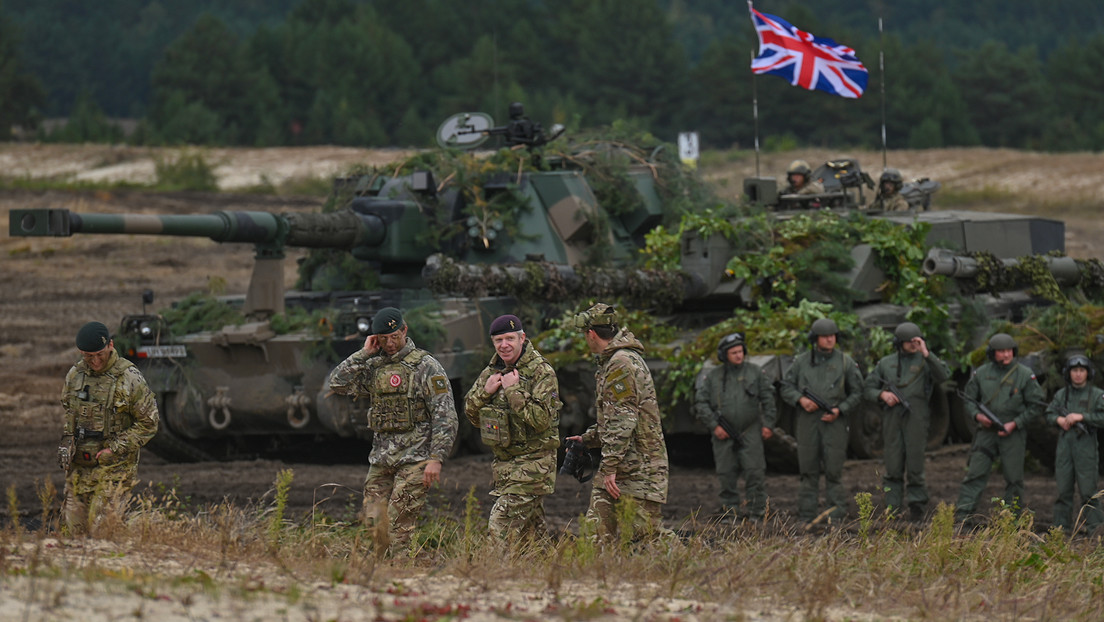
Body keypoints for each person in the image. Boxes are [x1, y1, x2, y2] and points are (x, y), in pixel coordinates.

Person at [328, 307, 458, 553]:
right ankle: (380, 580)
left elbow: (445, 415)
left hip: (415, 460)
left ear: (405, 330)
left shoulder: (426, 366)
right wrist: (364, 353)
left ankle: (404, 578)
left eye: (394, 336)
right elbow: (337, 383)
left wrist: (436, 459)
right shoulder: (375, 366)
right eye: (384, 338)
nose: (389, 343)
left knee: (399, 530)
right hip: (382, 460)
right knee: (373, 527)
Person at [566, 303, 669, 541]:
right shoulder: (615, 360)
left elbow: (624, 419)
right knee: (597, 535)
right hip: (619, 466)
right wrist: (588, 438)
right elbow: (617, 417)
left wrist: (610, 465)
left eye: (584, 335)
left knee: (646, 539)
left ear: (591, 334)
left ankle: (682, 567)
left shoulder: (620, 363)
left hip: (638, 467)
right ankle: (597, 575)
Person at [464, 314, 561, 544]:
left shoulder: (542, 372)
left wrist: (513, 392)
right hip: (505, 468)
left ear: (522, 338)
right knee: (532, 538)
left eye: (509, 339)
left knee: (501, 524)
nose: (504, 345)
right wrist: (484, 393)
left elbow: (541, 420)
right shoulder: (491, 371)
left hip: (534, 464)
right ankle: (548, 574)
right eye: (498, 340)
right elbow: (471, 415)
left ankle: (496, 577)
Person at [59, 321, 159, 535]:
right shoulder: (75, 376)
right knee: (71, 534)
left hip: (114, 467)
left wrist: (115, 449)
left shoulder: (129, 378)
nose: (95, 361)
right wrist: (67, 445)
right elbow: (69, 412)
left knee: (102, 533)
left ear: (110, 345)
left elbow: (149, 424)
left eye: (99, 355)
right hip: (79, 468)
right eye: (88, 356)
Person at [863, 322, 950, 521]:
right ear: (899, 342)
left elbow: (944, 376)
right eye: (908, 342)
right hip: (892, 418)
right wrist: (882, 395)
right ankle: (892, 509)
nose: (913, 345)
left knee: (915, 464)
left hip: (916, 418)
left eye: (916, 341)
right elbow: (867, 389)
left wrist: (926, 353)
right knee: (892, 465)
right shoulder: (885, 363)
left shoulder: (925, 362)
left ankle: (917, 506)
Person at [780, 317, 864, 524]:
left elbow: (858, 392)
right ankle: (806, 513)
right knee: (808, 470)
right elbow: (785, 387)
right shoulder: (801, 362)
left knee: (834, 470)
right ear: (815, 339)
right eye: (825, 337)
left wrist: (840, 409)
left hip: (834, 423)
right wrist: (801, 400)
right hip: (808, 421)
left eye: (832, 336)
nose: (829, 340)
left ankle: (835, 513)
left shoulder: (846, 362)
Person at [954, 333, 1044, 523]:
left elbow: (1036, 405)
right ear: (992, 354)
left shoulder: (1025, 375)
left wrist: (1016, 423)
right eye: (1001, 351)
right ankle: (962, 517)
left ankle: (1012, 522)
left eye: (1009, 350)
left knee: (1014, 479)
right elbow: (969, 400)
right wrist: (978, 416)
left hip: (1012, 434)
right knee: (975, 473)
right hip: (986, 432)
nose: (1006, 354)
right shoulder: (981, 373)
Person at [693, 332, 777, 522]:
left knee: (755, 472)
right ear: (724, 355)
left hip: (750, 429)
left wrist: (769, 424)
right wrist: (714, 426)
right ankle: (730, 512)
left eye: (740, 351)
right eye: (733, 353)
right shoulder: (713, 377)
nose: (738, 355)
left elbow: (768, 398)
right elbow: (701, 402)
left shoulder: (755, 372)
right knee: (726, 474)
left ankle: (758, 512)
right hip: (723, 432)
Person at [1045, 354, 1104, 532]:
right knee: (1063, 491)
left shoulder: (1097, 395)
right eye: (1074, 371)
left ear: (1088, 373)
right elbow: (1048, 414)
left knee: (1088, 491)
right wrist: (1059, 420)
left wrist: (1082, 417)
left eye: (1082, 370)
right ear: (1068, 373)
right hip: (1065, 446)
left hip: (1086, 447)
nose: (1078, 374)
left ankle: (1096, 529)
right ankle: (1061, 529)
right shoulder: (1062, 395)